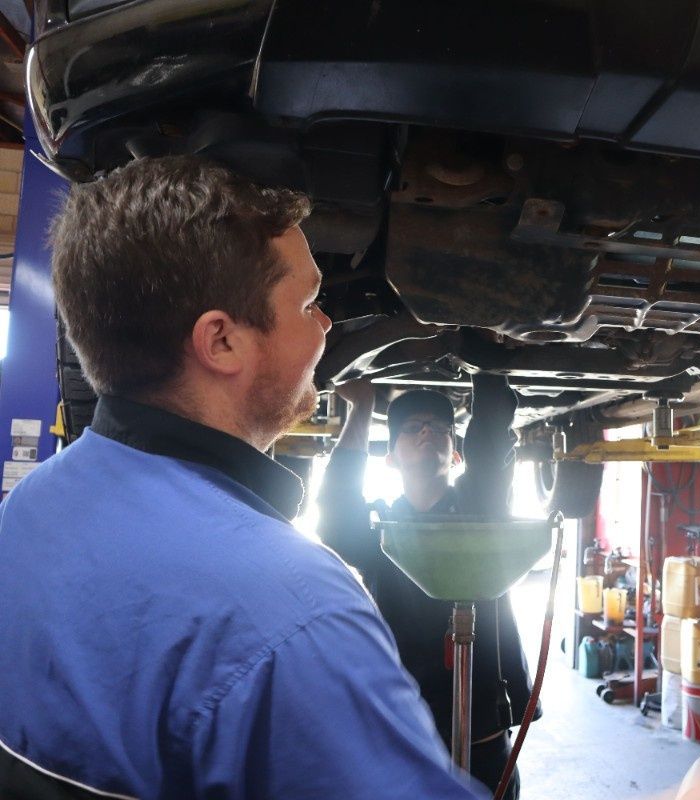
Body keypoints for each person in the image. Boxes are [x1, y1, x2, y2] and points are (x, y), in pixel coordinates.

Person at [0, 156, 487, 799]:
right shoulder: (295, 614)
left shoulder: (29, 507)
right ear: (221, 342)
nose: (327, 324)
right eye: (308, 303)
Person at [317, 372, 535, 799]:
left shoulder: (480, 507)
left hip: (482, 730)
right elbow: (335, 514)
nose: (426, 432)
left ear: (455, 453)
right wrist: (361, 407)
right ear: (390, 458)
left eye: (439, 427)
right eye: (412, 427)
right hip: (405, 726)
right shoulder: (378, 529)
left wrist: (488, 369)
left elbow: (491, 447)